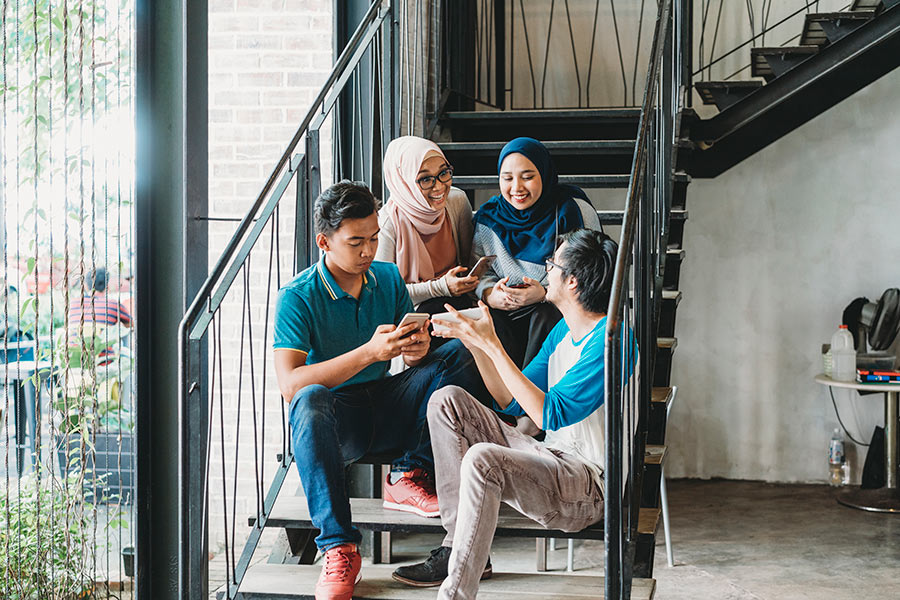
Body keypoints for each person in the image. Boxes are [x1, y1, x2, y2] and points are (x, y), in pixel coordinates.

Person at [392, 229, 632, 599]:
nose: (544, 270)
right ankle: (458, 545)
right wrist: (475, 343)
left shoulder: (612, 340)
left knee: (483, 459)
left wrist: (492, 343)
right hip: (549, 459)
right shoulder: (562, 332)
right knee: (447, 399)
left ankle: (455, 593)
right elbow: (509, 401)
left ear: (572, 282)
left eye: (552, 265)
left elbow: (552, 413)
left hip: (588, 485)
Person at [273, 181, 484, 600]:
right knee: (309, 397)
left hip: (386, 405)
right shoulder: (296, 297)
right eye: (356, 243)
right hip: (338, 419)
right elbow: (290, 384)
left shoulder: (385, 277)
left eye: (373, 239)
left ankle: (408, 472)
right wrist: (369, 353)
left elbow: (407, 361)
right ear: (324, 242)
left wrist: (416, 351)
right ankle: (339, 547)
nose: (369, 251)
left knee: (459, 352)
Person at [473, 137, 601, 370]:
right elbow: (479, 272)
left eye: (528, 176)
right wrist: (490, 293)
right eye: (507, 178)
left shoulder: (572, 209)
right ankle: (500, 401)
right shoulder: (488, 219)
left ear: (544, 172)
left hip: (555, 308)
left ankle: (531, 400)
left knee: (546, 315)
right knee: (487, 321)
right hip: (506, 310)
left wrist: (544, 293)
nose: (517, 188)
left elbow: (590, 273)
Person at [375, 136, 477, 317]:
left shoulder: (456, 202)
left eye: (443, 173)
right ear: (404, 181)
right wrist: (442, 287)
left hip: (459, 305)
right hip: (412, 314)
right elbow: (385, 294)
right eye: (425, 179)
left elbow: (469, 263)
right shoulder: (387, 224)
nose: (439, 186)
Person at [67, 267, 132, 331]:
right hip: (102, 341)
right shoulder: (113, 304)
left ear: (86, 286)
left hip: (76, 341)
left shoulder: (73, 303)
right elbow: (130, 324)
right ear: (107, 286)